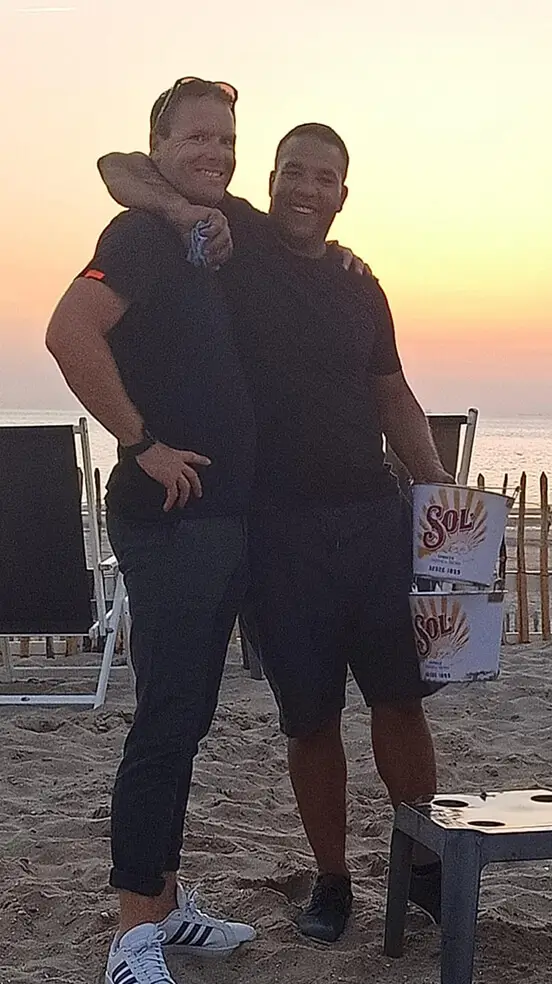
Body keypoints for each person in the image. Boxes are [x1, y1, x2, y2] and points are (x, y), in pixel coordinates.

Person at [98, 121, 452, 945]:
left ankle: (427, 867)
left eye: (324, 178)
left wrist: (435, 482)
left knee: (400, 701)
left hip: (373, 519)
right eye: (294, 172)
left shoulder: (362, 284)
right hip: (279, 529)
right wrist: (183, 212)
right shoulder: (239, 241)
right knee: (310, 716)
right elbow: (119, 167)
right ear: (270, 180)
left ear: (343, 195)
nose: (307, 189)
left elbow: (392, 391)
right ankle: (333, 879)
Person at [46, 79, 259, 984]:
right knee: (167, 719)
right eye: (197, 137)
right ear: (161, 146)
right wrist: (142, 445)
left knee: (189, 714)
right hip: (171, 521)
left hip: (221, 520)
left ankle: (167, 906)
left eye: (228, 139)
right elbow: (69, 333)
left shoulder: (216, 230)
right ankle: (134, 933)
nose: (217, 153)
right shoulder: (141, 234)